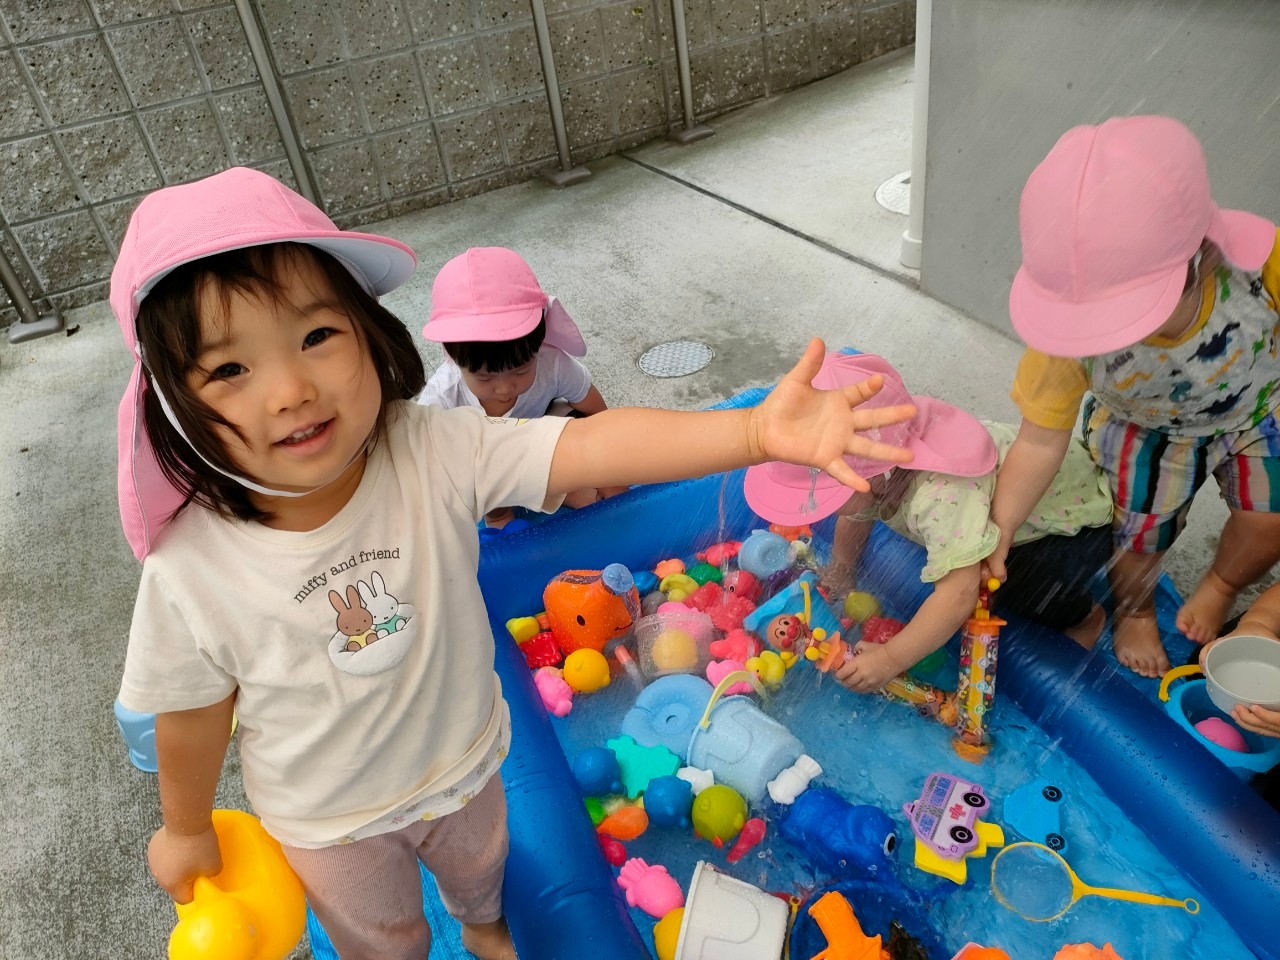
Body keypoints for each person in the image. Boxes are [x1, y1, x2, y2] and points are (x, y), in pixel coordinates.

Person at [111, 168, 917, 960]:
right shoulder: (194, 565)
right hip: (331, 823)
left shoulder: (429, 448)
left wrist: (750, 434)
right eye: (229, 369)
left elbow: (591, 444)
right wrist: (185, 828)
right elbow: (190, 711)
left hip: (467, 764)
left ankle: (484, 927)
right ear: (172, 406)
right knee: (381, 938)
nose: (290, 389)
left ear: (367, 333)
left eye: (316, 336)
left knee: (482, 878)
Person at [989, 115, 1280, 679]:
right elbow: (1040, 441)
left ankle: (1222, 584)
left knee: (1269, 521)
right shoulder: (1068, 340)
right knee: (1139, 536)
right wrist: (1000, 529)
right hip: (1144, 429)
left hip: (1257, 407)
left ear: (1202, 255)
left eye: (1120, 314)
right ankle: (1135, 609)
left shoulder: (1256, 267)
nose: (1102, 334)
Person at [744, 353, 1113, 693]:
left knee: (1007, 580)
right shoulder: (881, 454)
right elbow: (855, 511)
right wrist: (842, 566)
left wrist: (890, 659)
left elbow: (959, 595)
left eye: (820, 496)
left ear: (872, 475)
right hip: (1007, 496)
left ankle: (1083, 617)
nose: (816, 510)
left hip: (1072, 523)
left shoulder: (937, 497)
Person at [416, 247, 622, 525]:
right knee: (475, 467)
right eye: (485, 378)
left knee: (580, 427)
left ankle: (571, 490)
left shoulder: (553, 363)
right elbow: (424, 463)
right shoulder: (443, 397)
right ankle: (501, 517)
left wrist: (608, 471)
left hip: (540, 445)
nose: (504, 389)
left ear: (537, 346)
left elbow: (597, 414)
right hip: (489, 464)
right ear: (454, 359)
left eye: (521, 371)